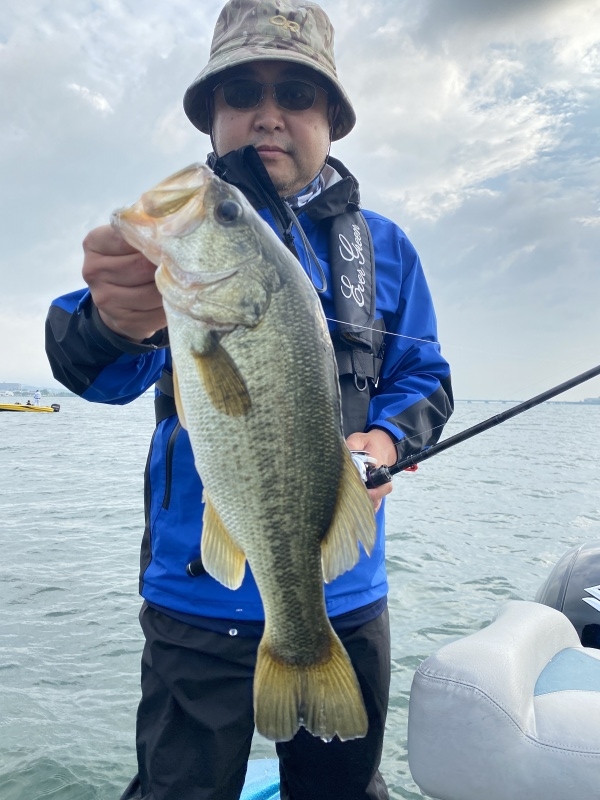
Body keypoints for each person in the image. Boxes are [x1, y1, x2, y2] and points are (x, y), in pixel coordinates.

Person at [45, 2, 453, 798]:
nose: (268, 115)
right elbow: (88, 368)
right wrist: (115, 322)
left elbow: (426, 379)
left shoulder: (386, 249)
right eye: (242, 93)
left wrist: (382, 444)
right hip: (194, 593)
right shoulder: (183, 234)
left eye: (295, 95)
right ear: (213, 116)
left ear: (331, 120)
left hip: (344, 592)